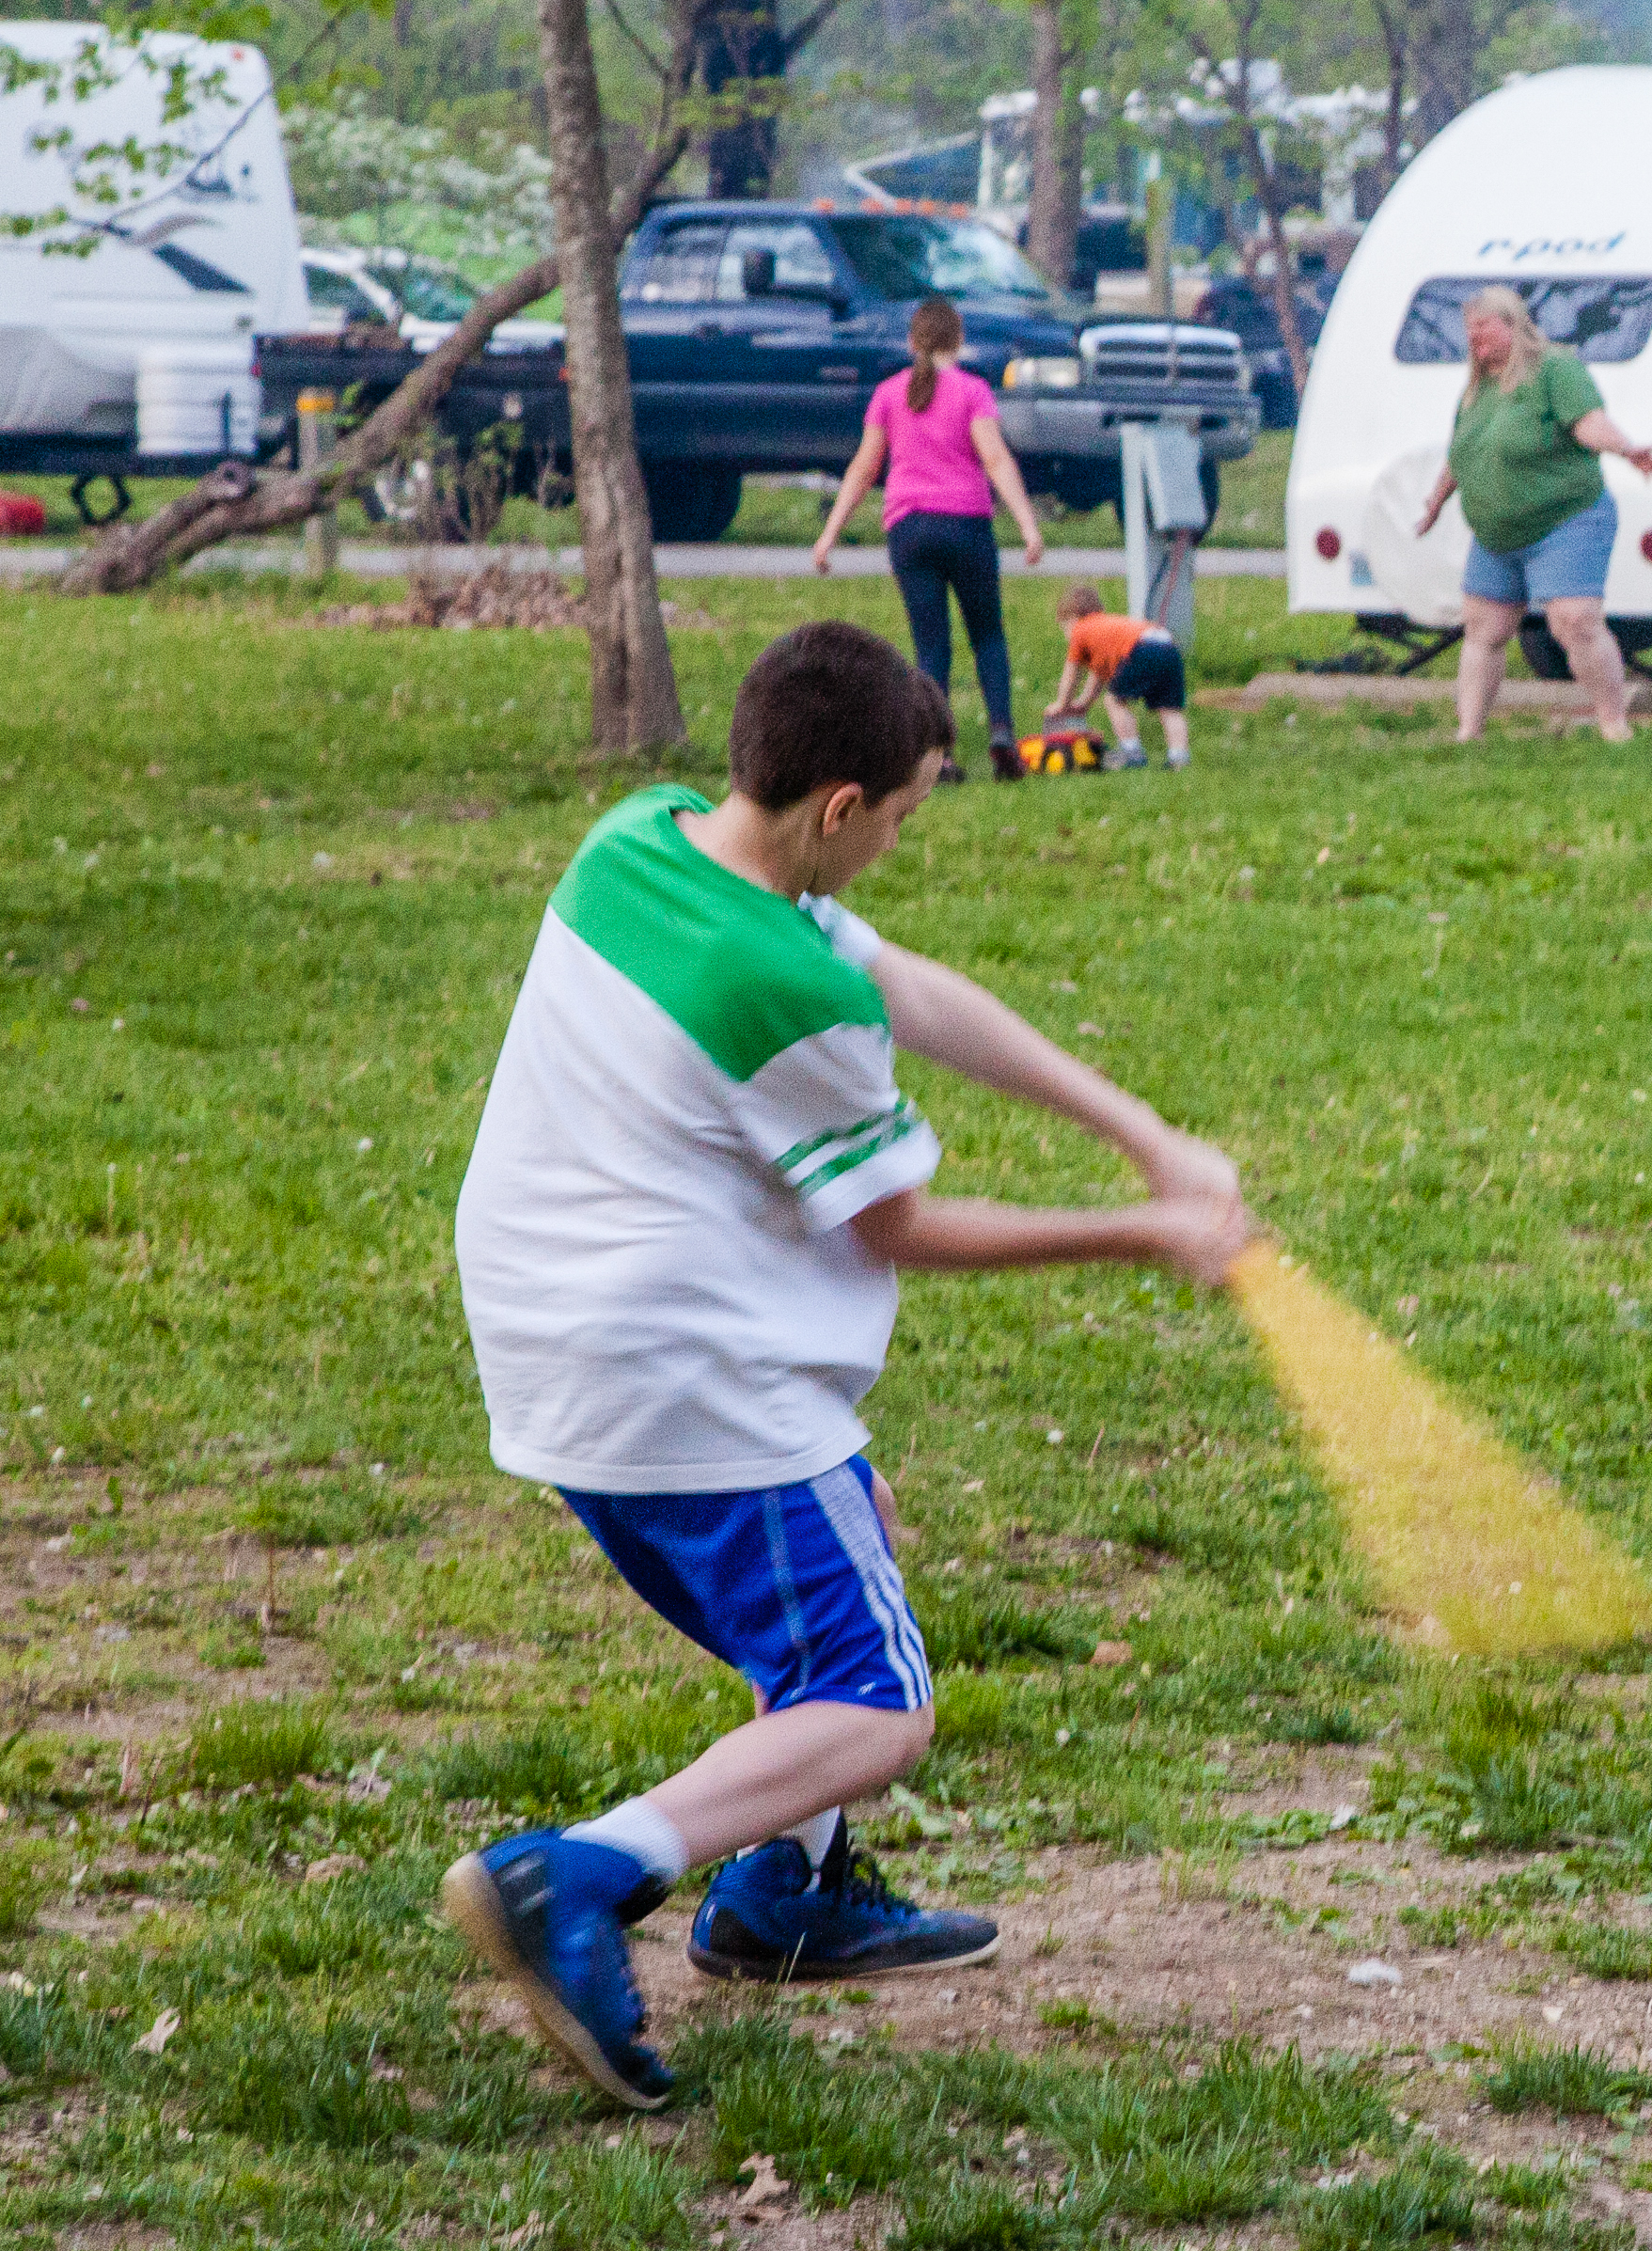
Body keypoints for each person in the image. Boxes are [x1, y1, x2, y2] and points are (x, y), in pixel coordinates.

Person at [440, 620, 1249, 2110]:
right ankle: (577, 1876)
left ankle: (779, 1899)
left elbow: (906, 986)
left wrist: (1141, 1129)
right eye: (902, 815)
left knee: (855, 1537)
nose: (898, 843)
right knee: (875, 1704)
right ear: (837, 808)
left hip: (560, 1332)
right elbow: (898, 1224)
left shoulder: (645, 841)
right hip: (675, 1369)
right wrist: (1145, 1232)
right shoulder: (774, 988)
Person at [1413, 284, 1652, 744]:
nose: (1474, 341)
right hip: (1496, 535)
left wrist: (1627, 450)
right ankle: (1469, 733)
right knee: (1484, 627)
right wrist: (1435, 503)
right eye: (1469, 332)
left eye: (1483, 330)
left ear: (1512, 324)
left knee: (1574, 620)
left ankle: (1615, 725)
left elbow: (1588, 422)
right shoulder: (1477, 389)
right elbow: (1462, 453)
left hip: (1565, 520)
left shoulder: (1555, 369)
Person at [813, 296, 1046, 784]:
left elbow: (864, 468)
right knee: (987, 633)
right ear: (958, 340)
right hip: (966, 526)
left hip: (909, 530)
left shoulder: (888, 394)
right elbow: (996, 459)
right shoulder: (974, 391)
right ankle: (1001, 732)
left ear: (911, 342)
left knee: (931, 646)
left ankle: (937, 755)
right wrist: (1027, 524)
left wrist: (829, 534)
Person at [1046, 583, 1189, 770]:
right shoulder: (1105, 627)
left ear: (1072, 619)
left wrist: (1062, 704)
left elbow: (1071, 675)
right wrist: (1083, 704)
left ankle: (1131, 752)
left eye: (1064, 627)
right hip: (1167, 644)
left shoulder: (1081, 630)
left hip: (1140, 648)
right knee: (1169, 708)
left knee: (1114, 700)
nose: (1066, 634)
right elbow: (1098, 676)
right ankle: (1179, 757)